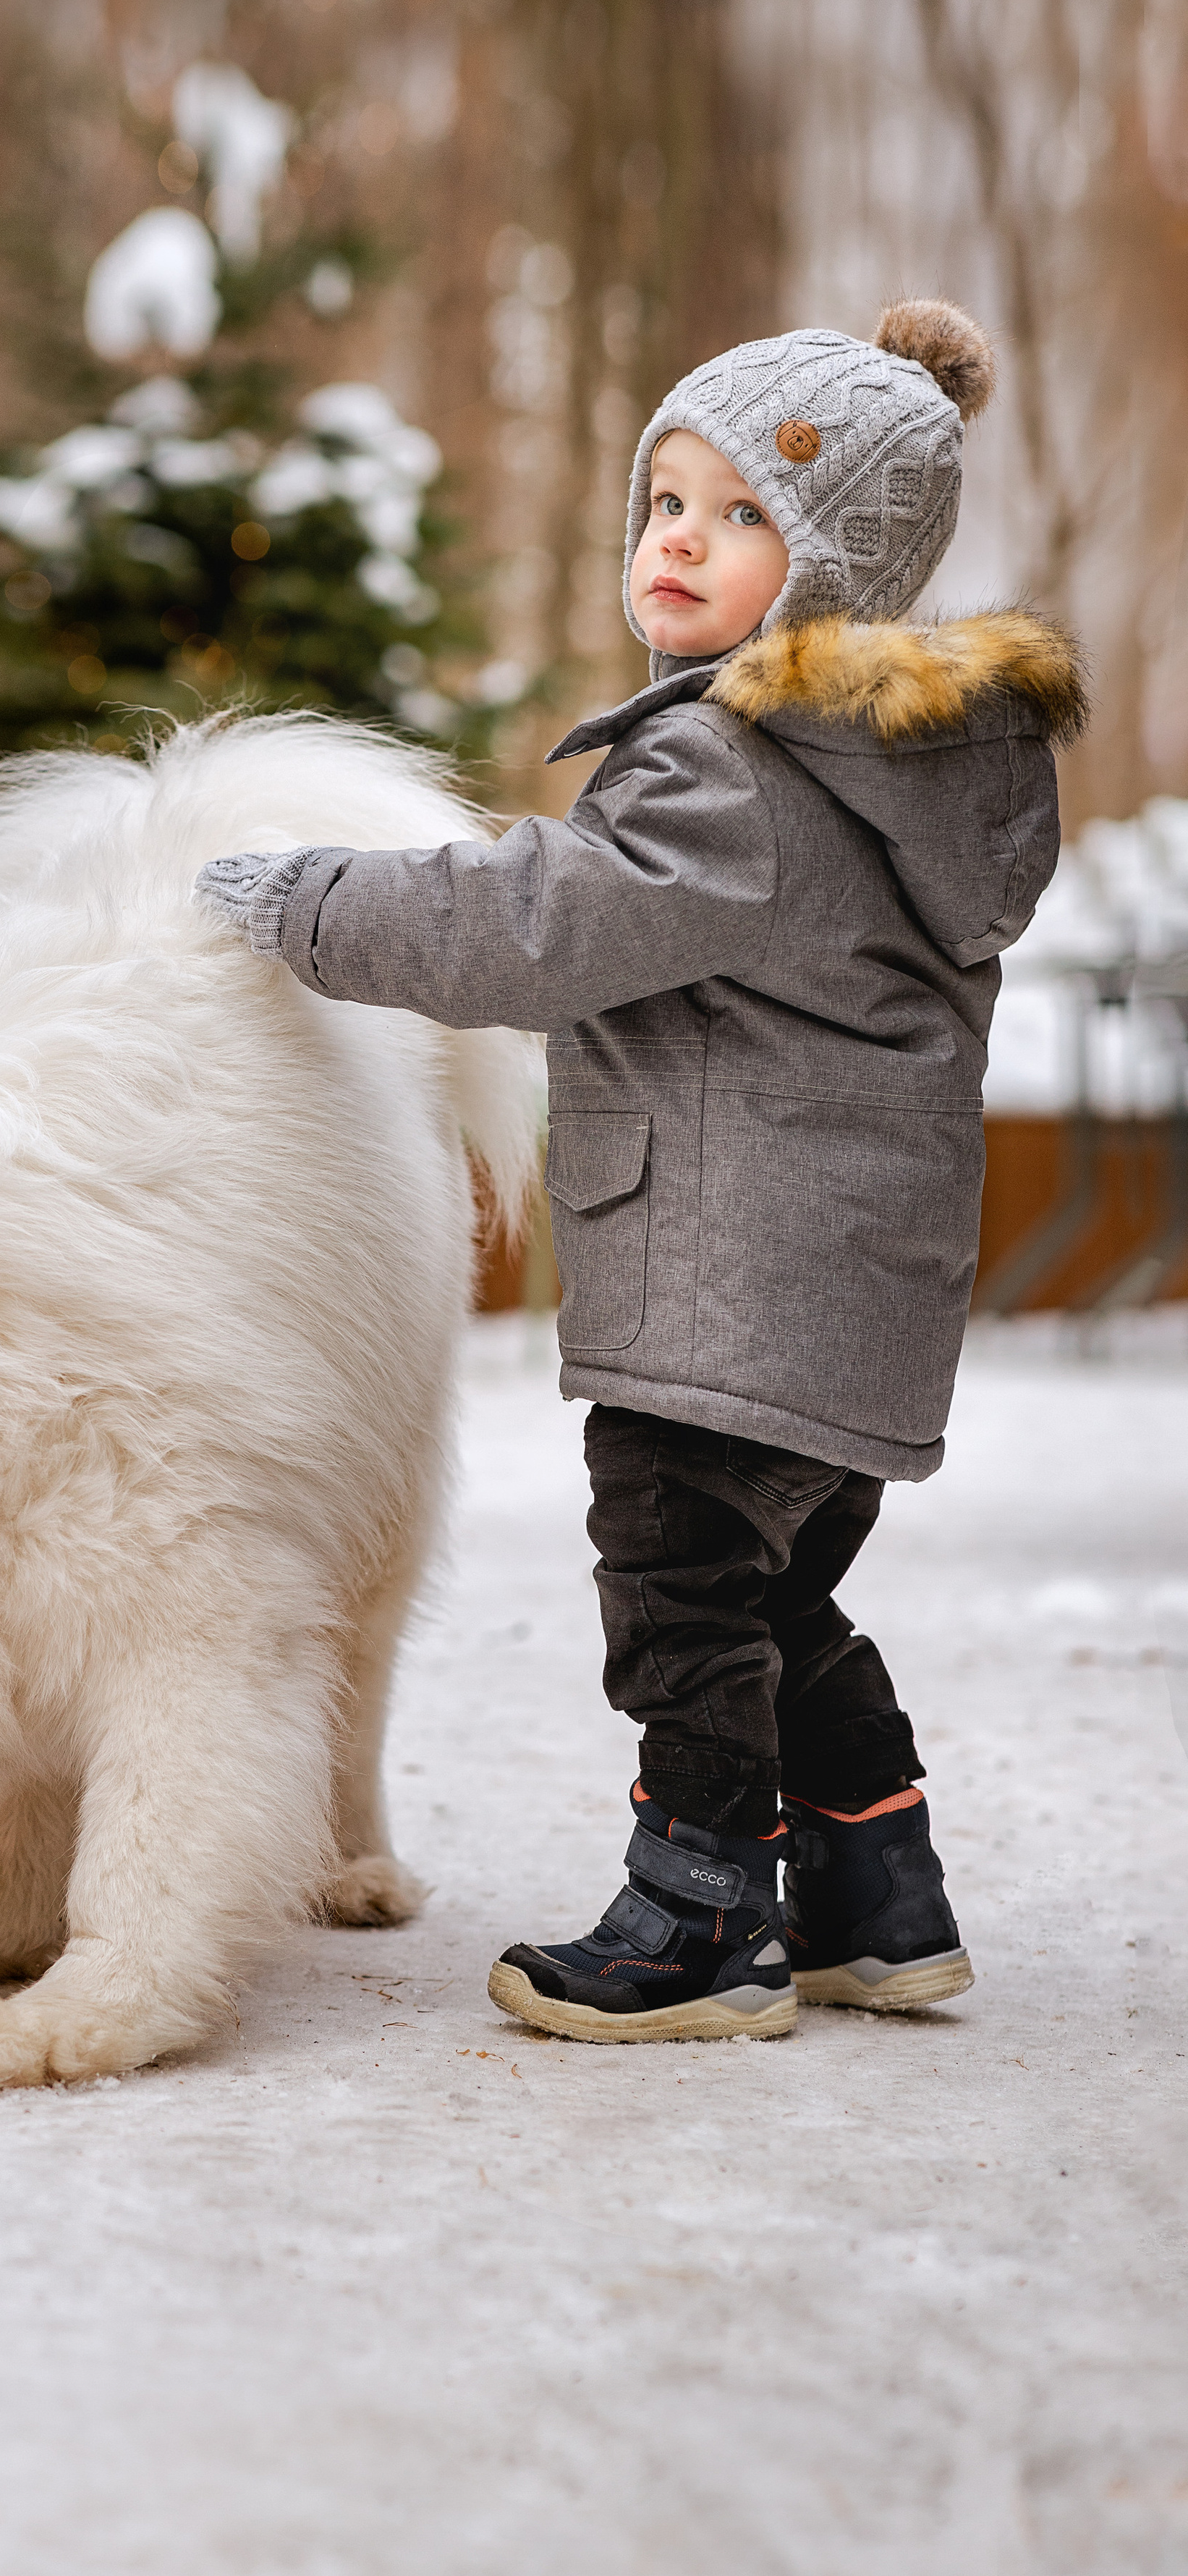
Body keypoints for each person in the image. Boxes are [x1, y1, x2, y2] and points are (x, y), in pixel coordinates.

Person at [194, 300, 1087, 2043]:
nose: (677, 538)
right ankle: (874, 1897)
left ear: (834, 566)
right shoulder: (908, 780)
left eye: (741, 513)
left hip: (722, 1295)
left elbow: (535, 926)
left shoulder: (729, 762)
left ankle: (699, 1914)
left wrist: (303, 898)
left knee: (678, 1600)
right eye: (663, 499)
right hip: (851, 1301)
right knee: (777, 1595)